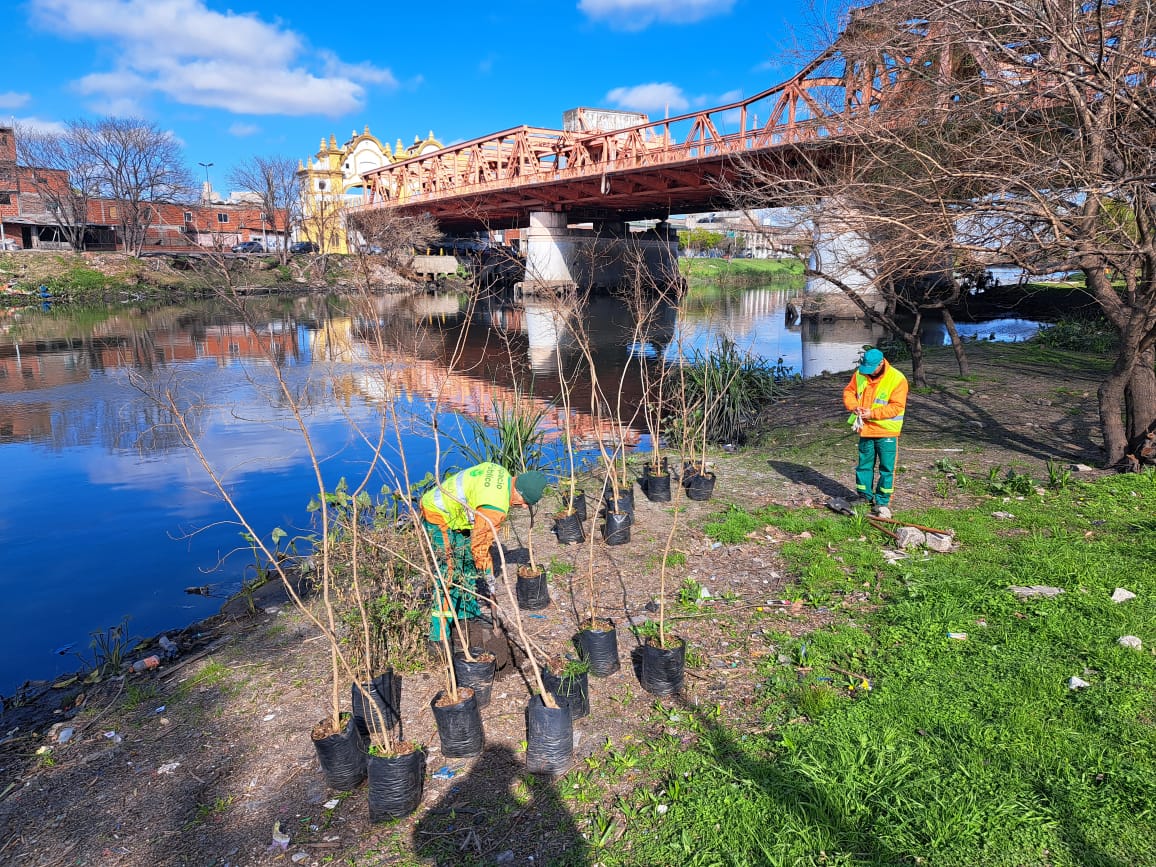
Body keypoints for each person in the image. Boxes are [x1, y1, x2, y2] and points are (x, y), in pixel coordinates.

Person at [420, 462, 548, 640]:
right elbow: (479, 546)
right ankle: (439, 634)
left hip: (457, 515)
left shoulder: (502, 472)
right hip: (439, 512)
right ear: (518, 490)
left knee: (466, 561)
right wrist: (488, 573)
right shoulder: (495, 507)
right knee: (449, 571)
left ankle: (466, 613)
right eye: (525, 501)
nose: (524, 507)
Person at [842, 347, 909, 518]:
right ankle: (864, 496)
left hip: (887, 432)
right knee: (864, 465)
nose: (868, 372)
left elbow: (897, 407)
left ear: (881, 364)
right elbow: (849, 392)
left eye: (871, 369)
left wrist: (872, 414)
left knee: (886, 468)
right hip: (866, 429)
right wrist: (854, 407)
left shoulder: (897, 379)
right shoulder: (860, 374)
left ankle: (882, 501)